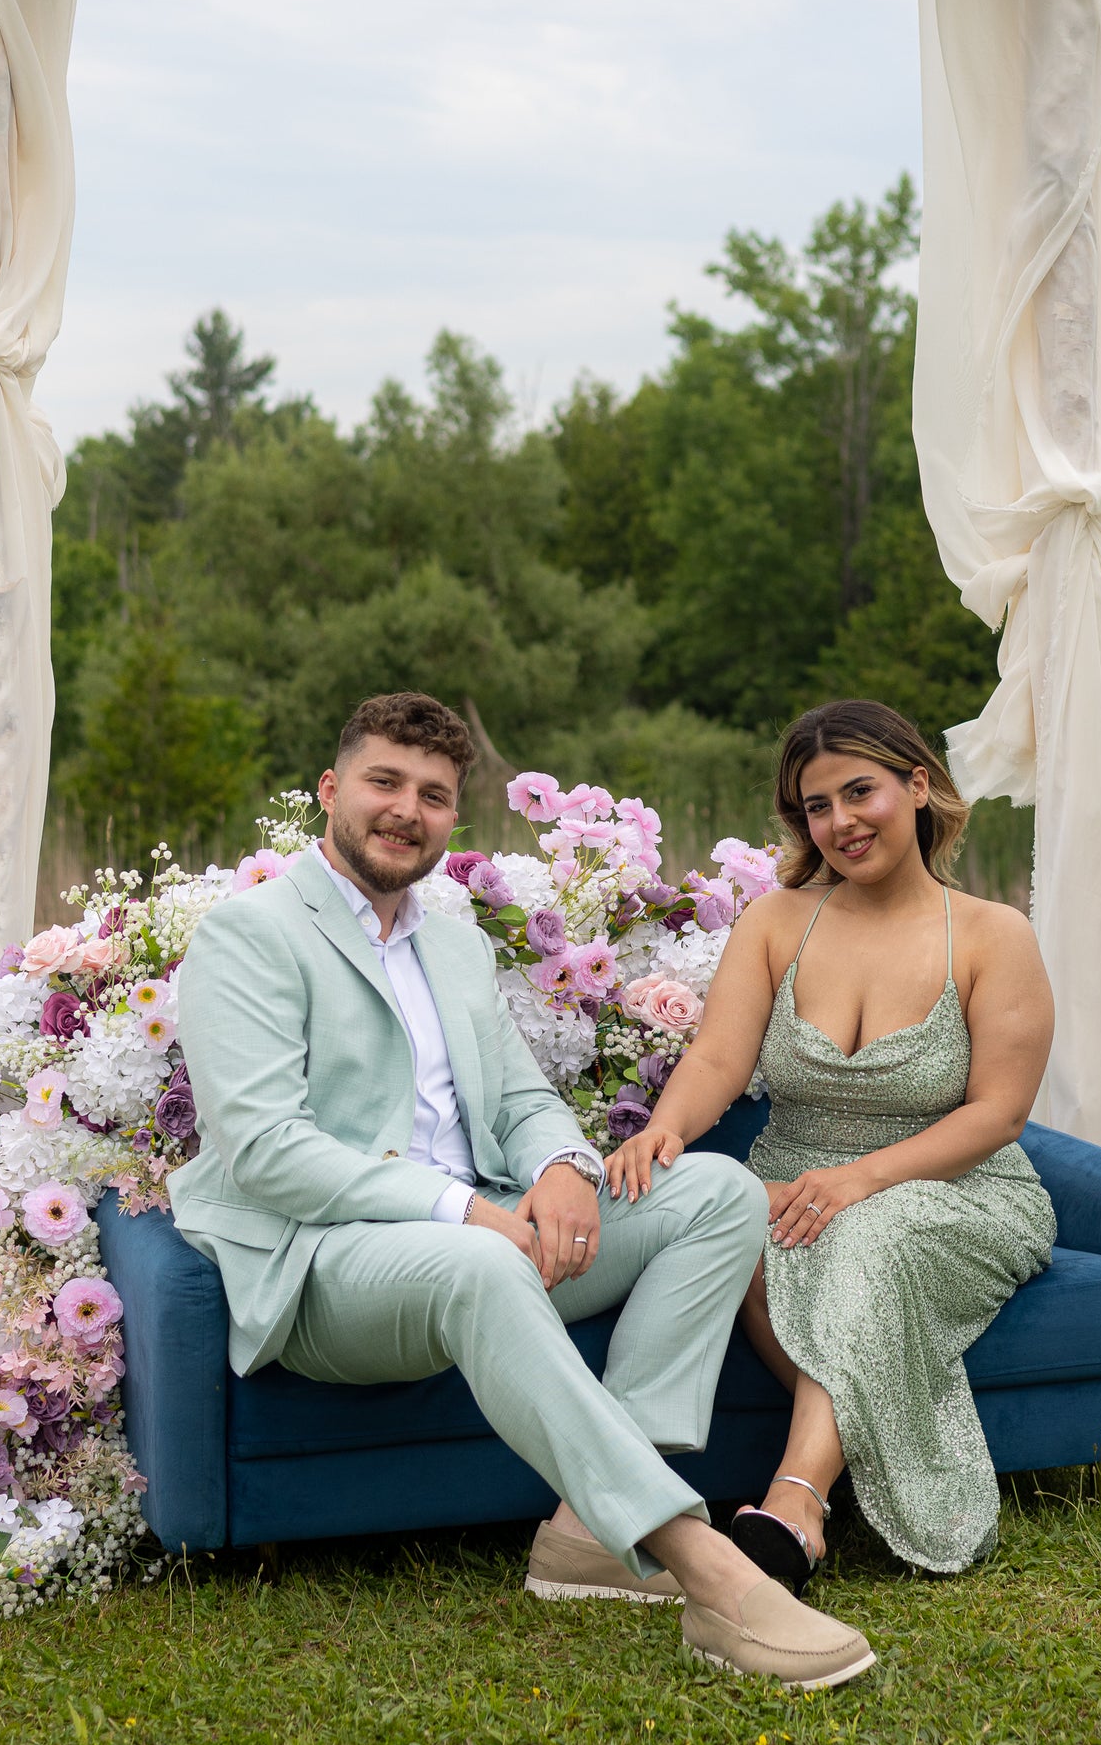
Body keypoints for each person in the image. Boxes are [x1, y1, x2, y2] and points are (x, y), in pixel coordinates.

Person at [171, 690, 875, 1691]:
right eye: (383, 782)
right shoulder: (250, 934)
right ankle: (708, 1568)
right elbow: (266, 1151)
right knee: (481, 1261)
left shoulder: (453, 942)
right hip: (325, 1261)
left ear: (452, 817)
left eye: (432, 794)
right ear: (330, 789)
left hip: (485, 1231)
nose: (406, 809)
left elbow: (517, 1098)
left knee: (717, 1192)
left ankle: (588, 1533)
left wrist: (561, 1170)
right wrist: (466, 1212)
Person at [608, 699, 1056, 1584]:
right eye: (818, 806)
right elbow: (718, 1058)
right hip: (789, 1179)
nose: (842, 821)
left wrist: (861, 1179)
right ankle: (835, 1479)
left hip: (958, 1185)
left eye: (860, 792)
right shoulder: (777, 922)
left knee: (870, 1234)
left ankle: (796, 1505)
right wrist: (664, 1130)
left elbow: (998, 1115)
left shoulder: (992, 934)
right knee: (736, 1230)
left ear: (917, 786)